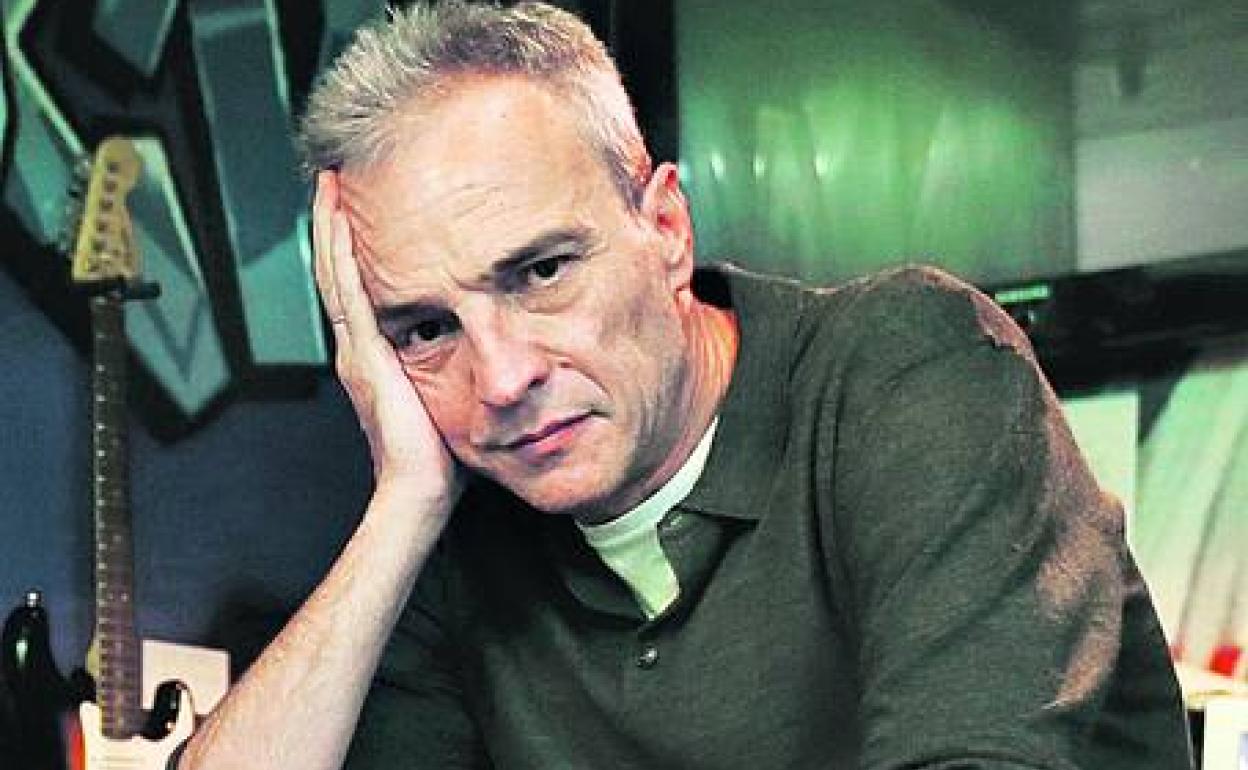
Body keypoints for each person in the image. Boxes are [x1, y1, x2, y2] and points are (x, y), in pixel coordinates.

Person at [175, 2, 1194, 768]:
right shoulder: (462, 542)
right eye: (427, 328)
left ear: (665, 228)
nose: (504, 376)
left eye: (542, 272)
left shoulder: (911, 369)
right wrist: (402, 506)